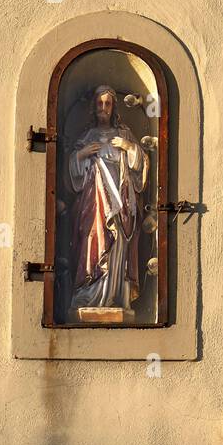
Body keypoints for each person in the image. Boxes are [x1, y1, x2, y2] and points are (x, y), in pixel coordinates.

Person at [67, 86, 150, 315]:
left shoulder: (123, 135)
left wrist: (130, 148)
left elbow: (140, 165)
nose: (103, 108)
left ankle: (115, 296)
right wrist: (82, 154)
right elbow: (72, 172)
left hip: (121, 200)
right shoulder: (87, 137)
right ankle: (90, 292)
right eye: (100, 104)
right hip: (94, 201)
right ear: (94, 107)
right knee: (93, 238)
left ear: (114, 107)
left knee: (119, 244)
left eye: (108, 104)